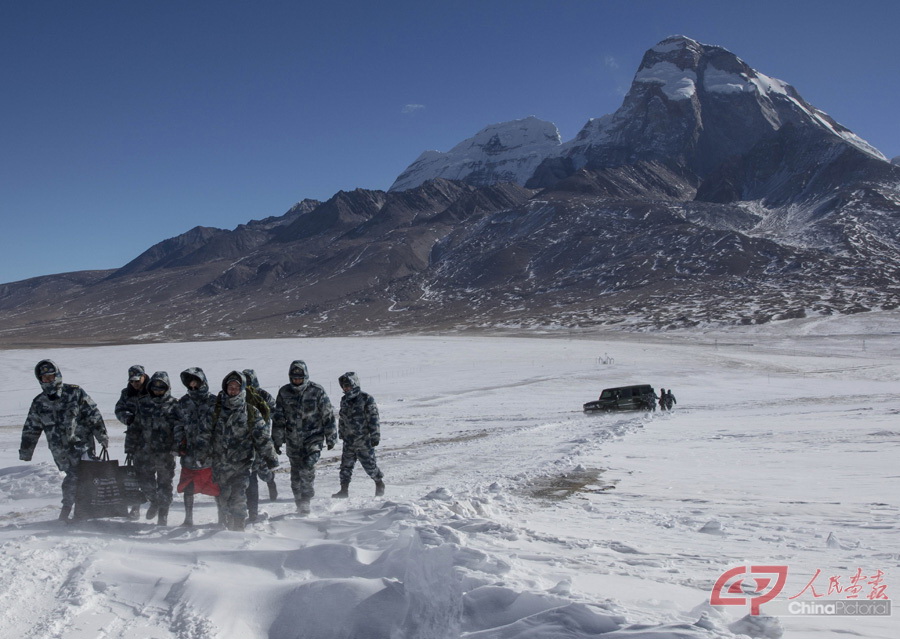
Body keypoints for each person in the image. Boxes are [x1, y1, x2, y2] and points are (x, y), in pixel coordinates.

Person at [19, 360, 110, 522]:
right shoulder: (39, 402)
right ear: (40, 380)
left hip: (82, 445)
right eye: (44, 378)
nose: (49, 380)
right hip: (60, 451)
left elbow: (93, 415)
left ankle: (70, 510)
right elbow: (31, 428)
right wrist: (26, 451)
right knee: (74, 476)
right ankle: (80, 510)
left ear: (57, 375)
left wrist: (101, 435)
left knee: (77, 477)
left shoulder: (74, 393)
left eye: (51, 376)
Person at [209, 371, 279, 531]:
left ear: (242, 390)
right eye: (230, 387)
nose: (232, 390)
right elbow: (206, 434)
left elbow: (262, 437)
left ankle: (238, 530)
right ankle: (224, 529)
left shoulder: (251, 411)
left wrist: (271, 459)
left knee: (239, 498)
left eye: (236, 387)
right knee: (222, 498)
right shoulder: (217, 410)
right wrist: (201, 453)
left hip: (243, 463)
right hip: (220, 464)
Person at [272, 361, 336, 516]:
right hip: (293, 440)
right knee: (295, 472)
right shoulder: (284, 392)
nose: (297, 381)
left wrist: (331, 437)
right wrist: (277, 440)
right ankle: (298, 500)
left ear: (305, 376)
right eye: (294, 378)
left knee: (307, 467)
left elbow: (327, 414)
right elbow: (279, 419)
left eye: (300, 378)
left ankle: (306, 499)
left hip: (313, 438)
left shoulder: (316, 391)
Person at [128, 371, 182, 526]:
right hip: (144, 451)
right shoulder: (143, 403)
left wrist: (177, 445)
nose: (157, 391)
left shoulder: (174, 404)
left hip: (165, 453)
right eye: (155, 388)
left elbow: (179, 427)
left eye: (161, 388)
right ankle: (155, 501)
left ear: (167, 388)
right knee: (145, 483)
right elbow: (135, 426)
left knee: (165, 484)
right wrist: (130, 446)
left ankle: (163, 515)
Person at [174, 367, 220, 527]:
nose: (193, 385)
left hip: (211, 453)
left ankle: (222, 517)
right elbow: (178, 424)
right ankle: (188, 518)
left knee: (217, 487)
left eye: (195, 381)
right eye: (189, 382)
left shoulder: (214, 401)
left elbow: (221, 426)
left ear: (202, 381)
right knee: (188, 487)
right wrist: (180, 442)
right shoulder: (183, 402)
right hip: (190, 453)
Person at [332, 372, 384, 499]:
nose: (346, 389)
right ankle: (344, 490)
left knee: (369, 465)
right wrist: (342, 432)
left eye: (348, 386)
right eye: (344, 387)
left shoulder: (366, 398)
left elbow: (373, 418)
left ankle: (379, 483)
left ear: (354, 384)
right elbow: (342, 418)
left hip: (364, 440)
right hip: (349, 441)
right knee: (345, 466)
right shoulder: (344, 400)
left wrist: (375, 435)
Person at [242, 369, 278, 522]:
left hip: (261, 438)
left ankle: (270, 481)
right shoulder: (239, 395)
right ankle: (252, 511)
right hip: (244, 441)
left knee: (262, 470)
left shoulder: (263, 395)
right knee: (250, 475)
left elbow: (275, 412)